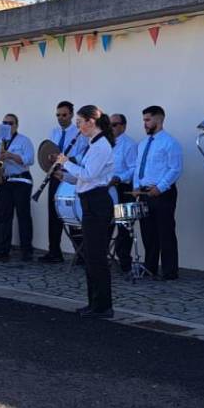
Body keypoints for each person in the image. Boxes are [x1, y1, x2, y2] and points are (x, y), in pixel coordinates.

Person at [54, 105, 116, 318]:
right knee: (90, 255)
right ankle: (93, 303)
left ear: (91, 121)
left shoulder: (101, 146)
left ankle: (104, 306)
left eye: (80, 122)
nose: (78, 126)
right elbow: (85, 177)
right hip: (89, 201)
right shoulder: (92, 144)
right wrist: (65, 175)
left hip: (98, 203)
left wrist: (67, 163)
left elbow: (89, 174)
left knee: (97, 256)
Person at [132, 106, 183, 279]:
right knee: (148, 232)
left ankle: (170, 271)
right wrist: (137, 186)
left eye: (147, 120)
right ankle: (150, 267)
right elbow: (139, 167)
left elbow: (175, 169)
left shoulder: (170, 142)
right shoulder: (143, 143)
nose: (144, 124)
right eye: (144, 120)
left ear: (159, 120)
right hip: (145, 193)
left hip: (163, 193)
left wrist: (160, 187)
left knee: (165, 232)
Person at [41, 100, 89, 263]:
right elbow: (50, 151)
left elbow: (82, 157)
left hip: (70, 178)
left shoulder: (79, 133)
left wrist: (66, 161)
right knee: (53, 214)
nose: (60, 118)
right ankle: (54, 251)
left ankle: (80, 254)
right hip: (55, 175)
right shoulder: (54, 131)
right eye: (58, 115)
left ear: (71, 115)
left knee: (71, 215)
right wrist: (50, 159)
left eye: (64, 115)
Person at [0, 113, 35, 262]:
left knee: (23, 216)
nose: (7, 125)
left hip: (21, 180)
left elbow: (30, 160)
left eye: (11, 123)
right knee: (4, 216)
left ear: (16, 125)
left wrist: (11, 156)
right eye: (5, 123)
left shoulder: (24, 141)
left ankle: (26, 250)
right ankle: (3, 250)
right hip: (4, 180)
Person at [108, 113, 138, 273]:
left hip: (123, 189)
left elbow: (134, 168)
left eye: (114, 124)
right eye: (109, 124)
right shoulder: (105, 142)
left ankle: (125, 263)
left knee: (123, 228)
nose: (111, 127)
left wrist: (118, 178)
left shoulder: (129, 144)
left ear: (123, 126)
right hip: (106, 189)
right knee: (105, 225)